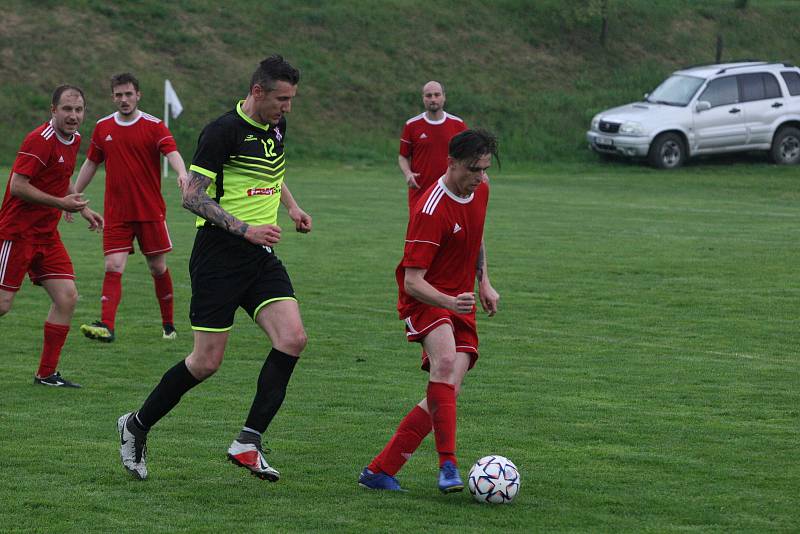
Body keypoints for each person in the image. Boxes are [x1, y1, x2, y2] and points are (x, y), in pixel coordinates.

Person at [117, 55, 312, 482]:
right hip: (219, 256)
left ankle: (248, 441)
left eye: (292, 99)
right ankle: (135, 425)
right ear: (257, 91)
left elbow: (270, 173)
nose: (287, 107)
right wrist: (245, 230)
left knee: (293, 338)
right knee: (205, 363)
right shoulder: (222, 131)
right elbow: (191, 197)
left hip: (259, 259)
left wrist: (292, 207)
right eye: (282, 98)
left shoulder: (275, 124)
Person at [360, 129, 500, 493]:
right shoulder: (430, 208)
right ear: (451, 163)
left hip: (460, 300)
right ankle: (448, 465)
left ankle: (380, 470)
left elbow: (477, 233)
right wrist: (450, 302)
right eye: (474, 169)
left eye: (485, 169)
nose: (480, 177)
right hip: (425, 299)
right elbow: (412, 281)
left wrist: (483, 281)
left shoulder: (480, 190)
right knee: (445, 362)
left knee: (449, 389)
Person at [0, 85, 103, 387]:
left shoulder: (75, 139)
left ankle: (46, 374)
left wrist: (82, 208)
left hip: (46, 235)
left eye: (79, 110)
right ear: (53, 110)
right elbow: (18, 185)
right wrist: (61, 204)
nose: (73, 116)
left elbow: (62, 178)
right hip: (17, 233)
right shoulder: (39, 140)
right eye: (67, 109)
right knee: (3, 304)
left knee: (67, 298)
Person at [75, 73, 188, 343]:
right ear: (112, 97)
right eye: (118, 95)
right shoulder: (103, 127)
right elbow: (91, 163)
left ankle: (169, 325)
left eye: (128, 94)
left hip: (149, 211)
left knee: (157, 268)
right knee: (113, 265)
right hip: (117, 214)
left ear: (138, 95)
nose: (124, 100)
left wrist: (182, 173)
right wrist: (74, 195)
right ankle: (107, 325)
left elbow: (172, 152)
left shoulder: (154, 125)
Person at [398, 81, 467, 214]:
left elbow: (469, 155)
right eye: (428, 96)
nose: (433, 99)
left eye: (437, 95)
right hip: (420, 192)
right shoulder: (412, 125)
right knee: (420, 234)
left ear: (444, 97)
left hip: (451, 192)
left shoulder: (458, 124)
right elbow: (403, 156)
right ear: (423, 98)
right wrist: (408, 174)